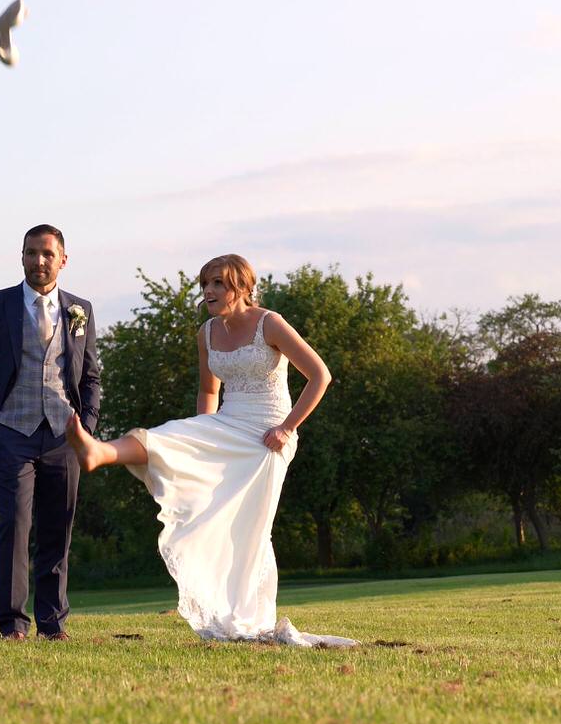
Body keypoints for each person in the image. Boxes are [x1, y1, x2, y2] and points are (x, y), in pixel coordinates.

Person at [65, 254, 357, 648]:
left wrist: (287, 429)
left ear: (241, 286)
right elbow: (208, 391)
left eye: (218, 283)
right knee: (168, 437)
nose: (209, 291)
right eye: (205, 283)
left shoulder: (269, 323)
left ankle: (250, 617)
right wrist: (199, 439)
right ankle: (100, 452)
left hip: (267, 435)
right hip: (226, 422)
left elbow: (320, 375)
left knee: (250, 529)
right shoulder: (206, 333)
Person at [0, 224, 102, 641]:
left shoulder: (81, 310)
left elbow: (91, 375)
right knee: (15, 526)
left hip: (64, 435)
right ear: (21, 257)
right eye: (30, 253)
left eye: (46, 254)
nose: (38, 261)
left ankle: (53, 624)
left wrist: (87, 427)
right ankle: (13, 625)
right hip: (10, 432)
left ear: (62, 259)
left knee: (58, 529)